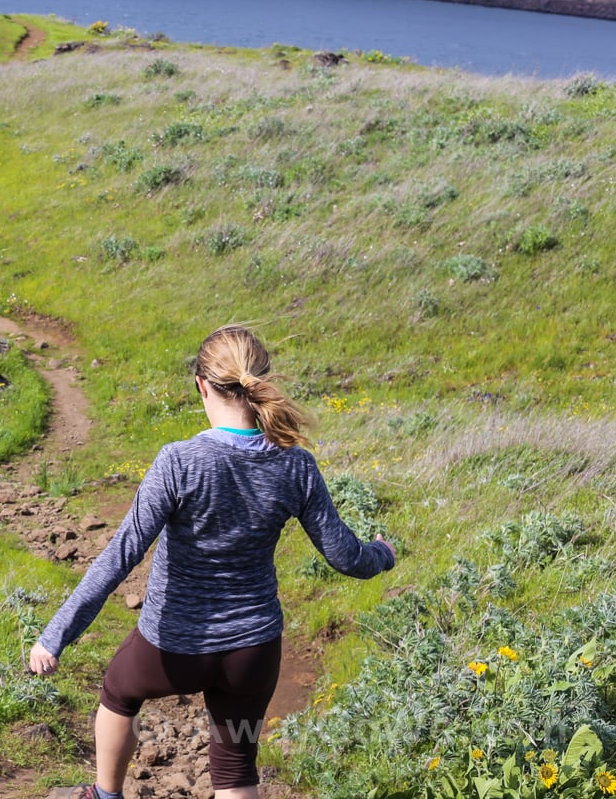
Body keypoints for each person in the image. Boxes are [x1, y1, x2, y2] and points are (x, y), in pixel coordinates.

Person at [30, 324, 397, 799]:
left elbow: (122, 554)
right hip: (252, 655)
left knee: (119, 692)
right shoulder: (295, 464)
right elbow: (347, 557)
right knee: (235, 767)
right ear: (259, 381)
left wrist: (55, 636)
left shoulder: (179, 462)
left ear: (202, 385)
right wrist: (383, 555)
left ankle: (106, 795)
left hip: (172, 651)